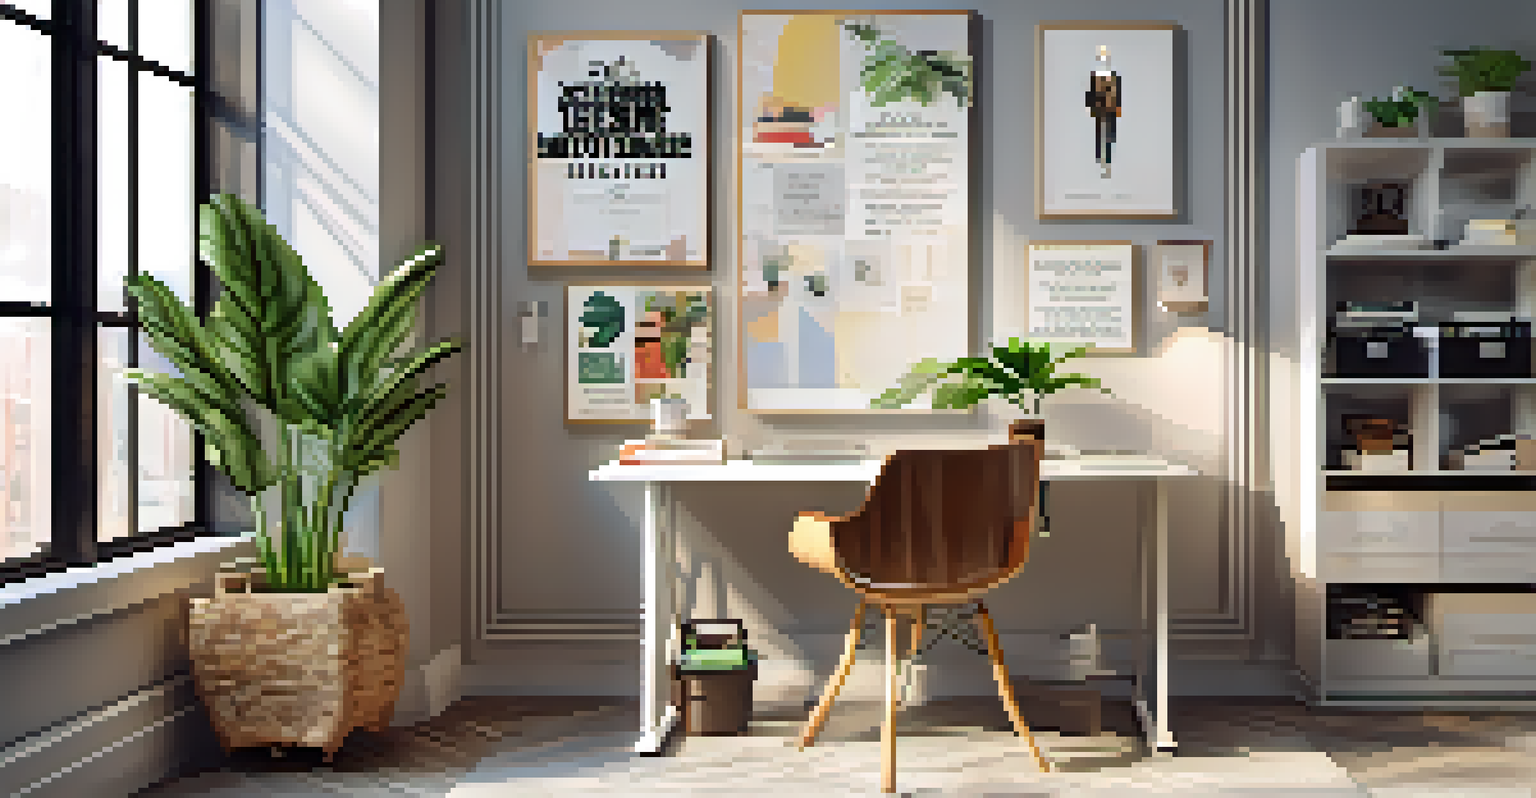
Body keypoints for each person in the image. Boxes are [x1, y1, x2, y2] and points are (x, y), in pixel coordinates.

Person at [1085, 45, 1121, 179]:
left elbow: (1117, 93)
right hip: (1100, 109)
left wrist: (1118, 107)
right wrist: (1089, 106)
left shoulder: (1113, 76)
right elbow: (1091, 92)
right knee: (1100, 135)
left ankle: (1107, 163)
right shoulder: (1095, 76)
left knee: (1109, 136)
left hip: (1110, 108)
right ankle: (1102, 163)